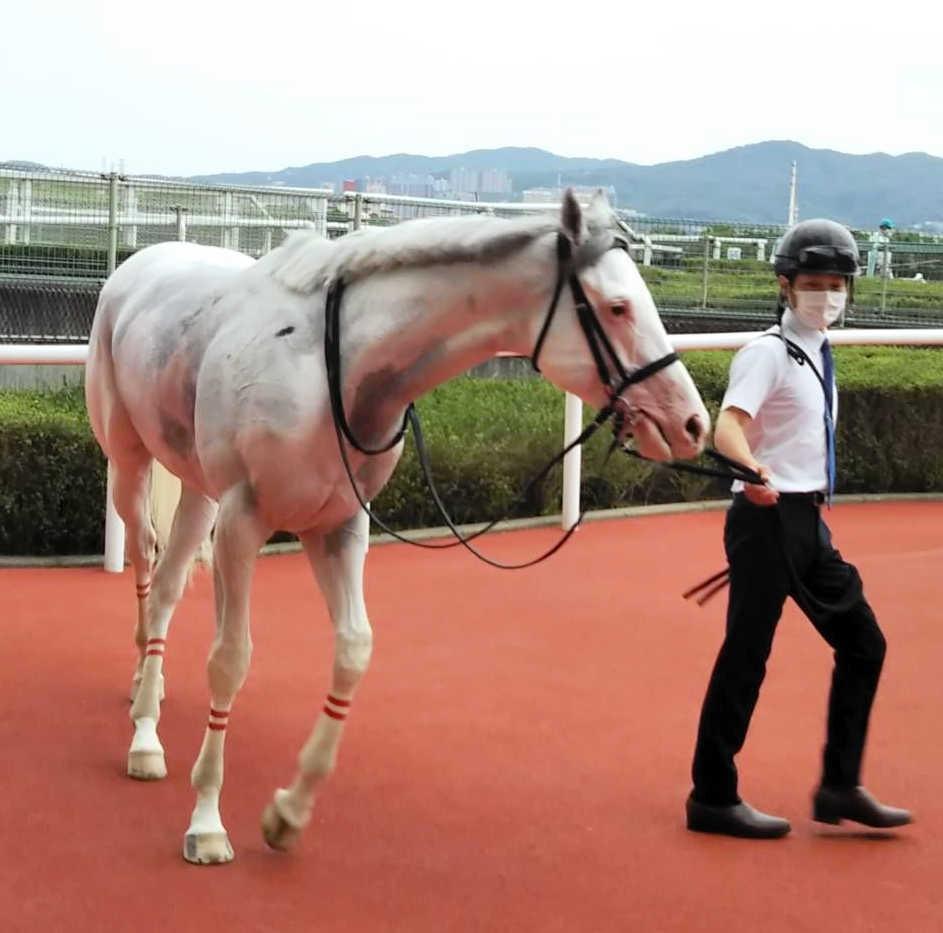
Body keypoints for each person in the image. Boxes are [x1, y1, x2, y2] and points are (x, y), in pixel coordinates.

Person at [685, 218, 913, 838]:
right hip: (765, 519)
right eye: (814, 282)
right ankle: (711, 796)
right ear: (785, 286)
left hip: (807, 522)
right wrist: (750, 466)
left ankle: (840, 784)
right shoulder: (767, 352)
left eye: (837, 283)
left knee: (864, 644)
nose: (827, 294)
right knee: (747, 657)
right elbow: (728, 424)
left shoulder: (819, 348)